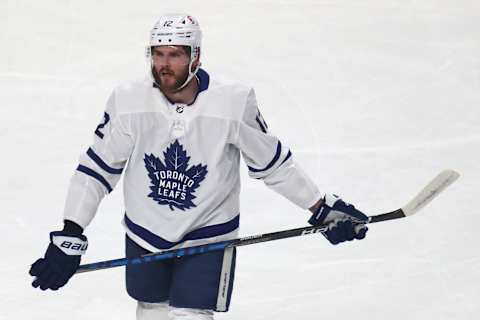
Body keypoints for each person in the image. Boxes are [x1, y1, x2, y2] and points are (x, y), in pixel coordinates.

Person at [29, 14, 369, 320]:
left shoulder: (233, 102)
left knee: (190, 316)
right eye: (158, 54)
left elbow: (273, 165)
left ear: (196, 57)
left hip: (208, 235)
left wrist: (321, 208)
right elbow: (97, 170)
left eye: (175, 54)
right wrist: (71, 231)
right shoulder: (128, 100)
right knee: (152, 314)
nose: (164, 64)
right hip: (144, 232)